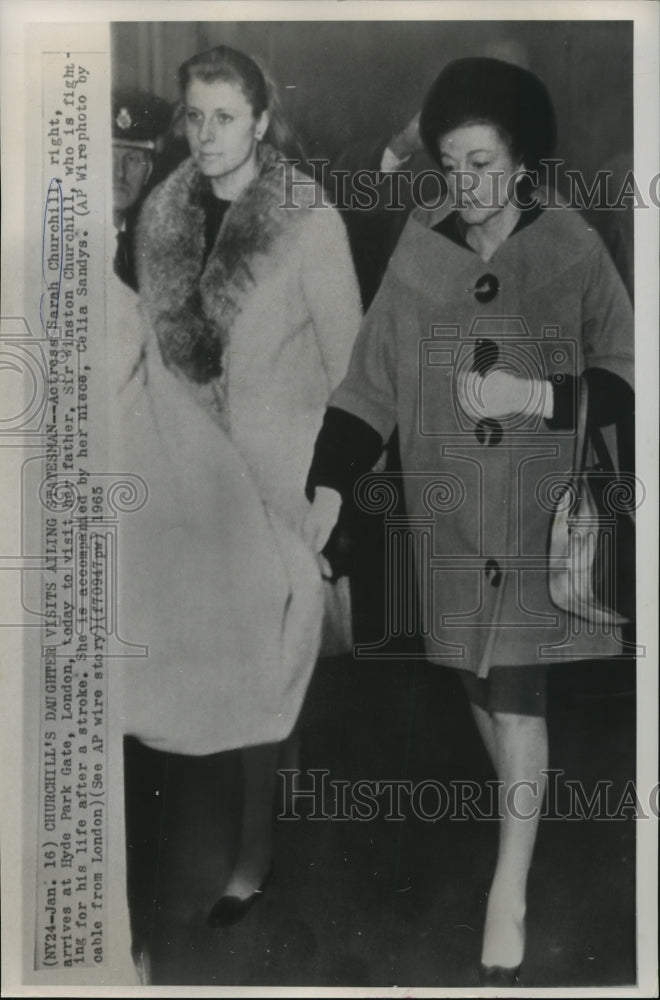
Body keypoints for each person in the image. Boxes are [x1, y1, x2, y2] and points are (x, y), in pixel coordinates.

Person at [304, 57, 634, 985]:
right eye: (451, 164)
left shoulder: (569, 244)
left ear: (523, 160)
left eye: (483, 162)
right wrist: (328, 482)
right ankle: (522, 801)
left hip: (537, 515)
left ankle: (509, 891)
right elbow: (368, 379)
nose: (466, 184)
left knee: (519, 695)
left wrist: (535, 394)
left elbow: (629, 368)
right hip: (446, 514)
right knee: (476, 683)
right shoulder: (421, 242)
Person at [126, 43, 361, 951]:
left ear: (261, 120)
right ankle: (272, 770)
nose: (209, 135)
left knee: (266, 659)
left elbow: (353, 369)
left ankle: (252, 855)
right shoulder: (163, 215)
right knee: (221, 662)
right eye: (197, 116)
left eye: (228, 117)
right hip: (196, 478)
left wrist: (338, 494)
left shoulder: (309, 220)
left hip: (281, 478)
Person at [112, 88, 173, 289]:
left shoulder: (150, 253)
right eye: (109, 157)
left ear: (148, 172)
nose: (119, 172)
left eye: (132, 159)